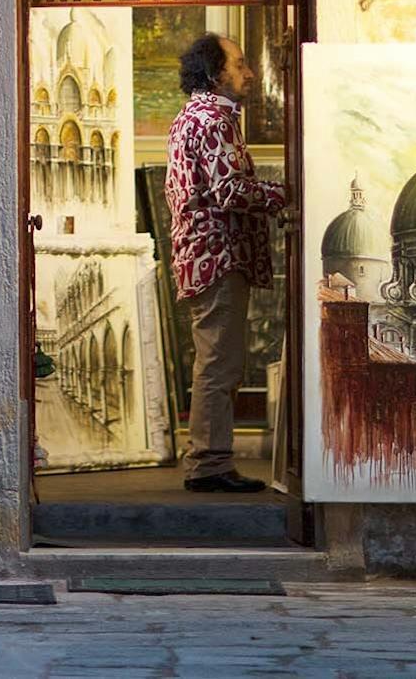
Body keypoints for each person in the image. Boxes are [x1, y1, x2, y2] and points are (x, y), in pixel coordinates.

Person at [165, 33, 289, 493]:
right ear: (216, 73)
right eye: (239, 64)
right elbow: (229, 191)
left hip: (207, 257)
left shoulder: (196, 117)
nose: (249, 73)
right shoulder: (212, 119)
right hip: (215, 256)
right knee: (219, 363)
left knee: (218, 361)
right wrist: (286, 194)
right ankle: (208, 465)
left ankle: (209, 460)